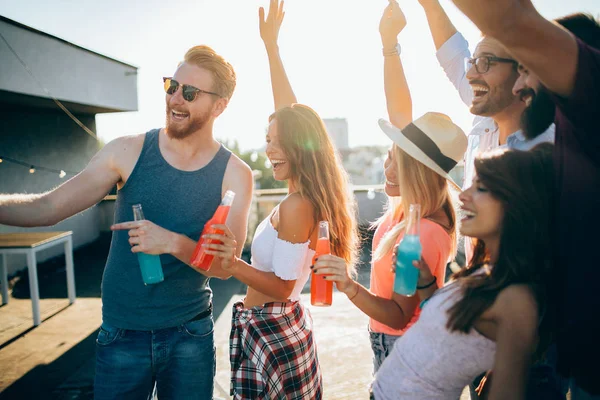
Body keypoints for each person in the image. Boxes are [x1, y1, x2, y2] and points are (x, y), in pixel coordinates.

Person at [0, 45, 254, 399]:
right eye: (172, 86)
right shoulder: (127, 151)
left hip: (190, 335)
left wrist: (173, 243)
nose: (175, 99)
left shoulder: (236, 175)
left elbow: (226, 269)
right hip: (122, 334)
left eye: (190, 92)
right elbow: (48, 206)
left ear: (219, 105)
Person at [200, 1, 359, 398]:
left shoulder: (298, 204)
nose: (270, 149)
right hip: (277, 329)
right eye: (267, 140)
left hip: (272, 333)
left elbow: (285, 286)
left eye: (277, 141)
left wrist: (232, 263)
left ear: (301, 147)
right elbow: (289, 113)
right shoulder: (302, 194)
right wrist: (271, 48)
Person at [445, 1, 600, 397]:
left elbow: (511, 18)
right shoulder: (559, 144)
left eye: (527, 69)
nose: (518, 85)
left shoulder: (583, 113)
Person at [312, 1, 465, 374]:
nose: (386, 165)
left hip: (405, 350)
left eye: (397, 160)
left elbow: (398, 316)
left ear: (420, 173)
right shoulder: (411, 210)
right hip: (393, 346)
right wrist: (389, 45)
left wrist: (348, 285)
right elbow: (400, 114)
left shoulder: (423, 231)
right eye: (388, 154)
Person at [371, 142, 556, 400]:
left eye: (480, 188)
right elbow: (450, 327)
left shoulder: (517, 299)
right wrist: (426, 284)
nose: (463, 195)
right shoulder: (490, 272)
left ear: (516, 204)